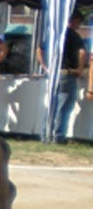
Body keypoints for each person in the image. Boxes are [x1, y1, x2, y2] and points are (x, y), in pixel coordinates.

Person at [37, 10, 88, 142]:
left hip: (53, 73)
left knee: (51, 105)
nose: (79, 25)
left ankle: (45, 133)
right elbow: (82, 53)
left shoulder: (53, 34)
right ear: (74, 20)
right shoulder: (74, 36)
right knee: (63, 106)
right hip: (67, 74)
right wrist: (80, 69)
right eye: (79, 22)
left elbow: (39, 49)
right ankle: (58, 135)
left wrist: (44, 66)